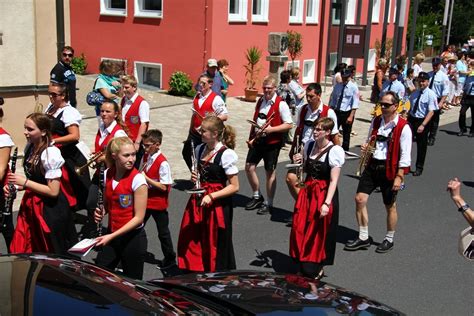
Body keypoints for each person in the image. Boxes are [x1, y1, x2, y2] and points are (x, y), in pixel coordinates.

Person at [345, 92, 412, 253]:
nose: (382, 107)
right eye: (381, 104)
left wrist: (399, 176)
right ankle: (363, 237)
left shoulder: (404, 127)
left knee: (389, 205)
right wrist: (366, 147)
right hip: (372, 165)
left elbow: (405, 155)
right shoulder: (376, 121)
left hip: (390, 169)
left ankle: (389, 238)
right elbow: (370, 140)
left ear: (395, 106)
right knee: (359, 199)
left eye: (386, 105)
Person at [8, 113, 77, 254]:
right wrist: (16, 186)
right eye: (25, 128)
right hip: (32, 205)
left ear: (44, 132)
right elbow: (36, 180)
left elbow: (53, 191)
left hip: (49, 210)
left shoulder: (50, 153)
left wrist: (25, 182)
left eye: (30, 129)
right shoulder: (30, 148)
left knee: (52, 250)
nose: (25, 132)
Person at [177, 116, 239, 272]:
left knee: (215, 239)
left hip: (217, 202)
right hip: (199, 197)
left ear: (215, 133)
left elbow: (234, 187)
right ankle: (196, 268)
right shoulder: (199, 149)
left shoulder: (226, 154)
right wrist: (194, 177)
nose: (199, 132)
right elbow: (200, 174)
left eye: (203, 130)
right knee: (194, 234)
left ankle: (216, 273)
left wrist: (211, 196)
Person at [289, 117, 345, 279]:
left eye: (319, 129)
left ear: (327, 132)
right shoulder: (309, 145)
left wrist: (326, 203)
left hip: (323, 193)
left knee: (318, 230)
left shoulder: (335, 151)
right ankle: (302, 259)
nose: (315, 131)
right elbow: (305, 169)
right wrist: (298, 161)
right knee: (301, 226)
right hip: (308, 191)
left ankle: (317, 265)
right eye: (314, 128)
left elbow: (334, 180)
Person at [94, 137, 148, 279]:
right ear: (114, 156)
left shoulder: (138, 180)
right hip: (113, 235)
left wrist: (111, 235)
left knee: (133, 283)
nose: (132, 159)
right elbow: (108, 203)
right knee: (100, 274)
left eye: (133, 154)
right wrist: (102, 211)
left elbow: (139, 218)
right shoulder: (107, 174)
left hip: (132, 239)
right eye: (126, 155)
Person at [244, 76, 293, 215]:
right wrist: (251, 137)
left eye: (269, 88)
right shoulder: (261, 100)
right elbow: (256, 119)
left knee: (269, 172)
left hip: (272, 142)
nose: (266, 91)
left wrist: (272, 129)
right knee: (249, 167)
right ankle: (257, 195)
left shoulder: (281, 104)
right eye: (264, 88)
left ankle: (269, 203)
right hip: (258, 139)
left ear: (274, 88)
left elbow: (289, 124)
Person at [83, 100, 128, 237]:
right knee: (91, 202)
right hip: (100, 172)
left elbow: (123, 157)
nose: (103, 114)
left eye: (107, 111)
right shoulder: (101, 127)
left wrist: (105, 159)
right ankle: (94, 231)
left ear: (115, 114)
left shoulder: (119, 134)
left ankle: (109, 234)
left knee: (111, 207)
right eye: (102, 111)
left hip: (112, 174)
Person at [286, 83, 339, 201]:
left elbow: (335, 136)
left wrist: (337, 155)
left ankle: (307, 207)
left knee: (314, 183)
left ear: (319, 95)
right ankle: (303, 204)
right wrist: (293, 148)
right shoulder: (303, 109)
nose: (308, 99)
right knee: (291, 178)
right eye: (307, 96)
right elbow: (298, 130)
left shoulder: (329, 112)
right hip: (303, 149)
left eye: (311, 96)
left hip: (319, 151)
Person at [45, 82, 90, 211]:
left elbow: (75, 136)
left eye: (54, 95)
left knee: (71, 185)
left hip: (68, 154)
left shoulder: (69, 112)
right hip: (54, 152)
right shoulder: (50, 107)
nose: (51, 97)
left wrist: (54, 140)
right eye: (49, 94)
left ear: (63, 95)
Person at [139, 129, 176, 269]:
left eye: (148, 145)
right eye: (144, 145)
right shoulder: (146, 157)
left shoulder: (162, 163)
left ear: (157, 144)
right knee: (137, 227)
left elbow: (164, 187)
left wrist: (146, 178)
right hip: (145, 200)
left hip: (158, 203)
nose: (145, 148)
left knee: (163, 233)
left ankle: (170, 258)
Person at [182, 74, 228, 170]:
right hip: (195, 132)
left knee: (201, 155)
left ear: (210, 84)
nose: (201, 85)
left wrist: (213, 118)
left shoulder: (216, 99)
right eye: (200, 83)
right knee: (186, 152)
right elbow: (194, 115)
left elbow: (225, 116)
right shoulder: (197, 97)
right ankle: (196, 173)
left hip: (208, 133)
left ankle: (202, 175)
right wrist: (190, 131)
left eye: (204, 83)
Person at [407, 72, 438, 176]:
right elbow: (410, 107)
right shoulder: (415, 93)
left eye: (423, 81)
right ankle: (405, 166)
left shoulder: (431, 94)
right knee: (406, 143)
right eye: (420, 81)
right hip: (412, 119)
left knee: (421, 146)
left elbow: (431, 112)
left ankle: (419, 167)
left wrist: (423, 125)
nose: (421, 83)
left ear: (428, 82)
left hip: (422, 121)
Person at [329, 68, 360, 152]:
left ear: (349, 76)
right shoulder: (338, 86)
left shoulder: (354, 87)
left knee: (346, 133)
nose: (344, 79)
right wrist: (330, 110)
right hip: (337, 112)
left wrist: (351, 116)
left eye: (345, 77)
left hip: (347, 112)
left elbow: (355, 103)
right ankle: (333, 148)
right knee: (333, 130)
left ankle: (345, 150)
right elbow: (334, 99)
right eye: (342, 77)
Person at [0, 103, 15, 251]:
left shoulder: (3, 137)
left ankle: (14, 255)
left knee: (6, 226)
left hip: (2, 189)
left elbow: (1, 168)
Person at [120, 75, 150, 148]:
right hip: (124, 139)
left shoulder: (142, 103)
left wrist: (137, 142)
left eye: (126, 87)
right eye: (123, 87)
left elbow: (144, 124)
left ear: (134, 87)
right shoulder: (124, 99)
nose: (124, 90)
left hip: (135, 142)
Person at [427, 57, 450, 146]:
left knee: (434, 119)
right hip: (428, 98)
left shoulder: (443, 77)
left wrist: (441, 102)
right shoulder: (428, 74)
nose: (435, 67)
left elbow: (445, 91)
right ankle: (425, 134)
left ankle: (432, 137)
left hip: (437, 99)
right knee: (426, 117)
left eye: (436, 65)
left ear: (440, 65)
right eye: (433, 65)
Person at [92, 60, 122, 124]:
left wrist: (119, 87)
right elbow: (107, 95)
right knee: (104, 129)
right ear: (106, 69)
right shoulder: (100, 80)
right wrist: (116, 96)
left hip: (114, 109)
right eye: (112, 68)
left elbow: (121, 95)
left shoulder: (112, 79)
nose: (114, 70)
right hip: (104, 110)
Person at [457, 62, 474, 137]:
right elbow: (465, 86)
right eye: (469, 67)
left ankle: (472, 131)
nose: (469, 69)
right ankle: (463, 128)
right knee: (462, 112)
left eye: (470, 67)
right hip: (467, 96)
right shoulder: (468, 76)